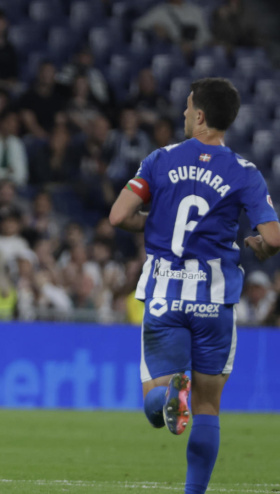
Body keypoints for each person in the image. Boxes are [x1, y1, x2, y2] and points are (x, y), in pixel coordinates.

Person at [109, 78, 280, 494]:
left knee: (156, 400)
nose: (184, 114)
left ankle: (167, 397)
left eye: (188, 108)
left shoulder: (160, 159)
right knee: (208, 407)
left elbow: (117, 216)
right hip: (214, 299)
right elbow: (273, 237)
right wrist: (258, 246)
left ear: (200, 115)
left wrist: (157, 224)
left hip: (166, 294)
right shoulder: (244, 172)